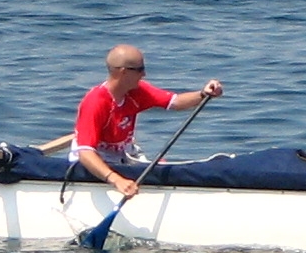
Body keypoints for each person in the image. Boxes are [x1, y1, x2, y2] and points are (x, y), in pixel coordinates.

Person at [70, 45, 222, 199]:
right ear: (123, 72)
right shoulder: (95, 102)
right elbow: (85, 153)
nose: (144, 74)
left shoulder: (137, 91)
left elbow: (176, 102)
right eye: (139, 69)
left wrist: (204, 94)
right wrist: (116, 180)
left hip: (122, 157)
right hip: (93, 166)